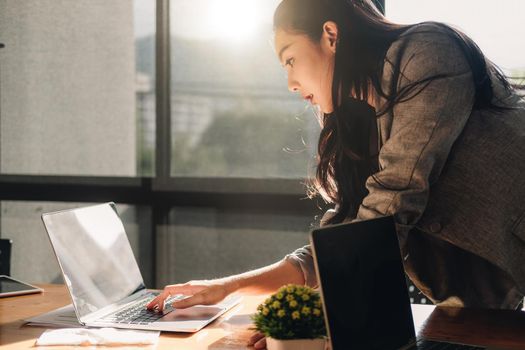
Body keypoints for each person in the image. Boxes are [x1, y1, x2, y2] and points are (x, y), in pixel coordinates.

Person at [148, 0, 525, 347]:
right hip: (481, 303)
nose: (291, 84)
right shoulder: (360, 115)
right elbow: (342, 238)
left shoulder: (426, 52)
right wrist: (224, 289)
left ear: (330, 35)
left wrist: (312, 319)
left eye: (290, 60)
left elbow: (393, 203)